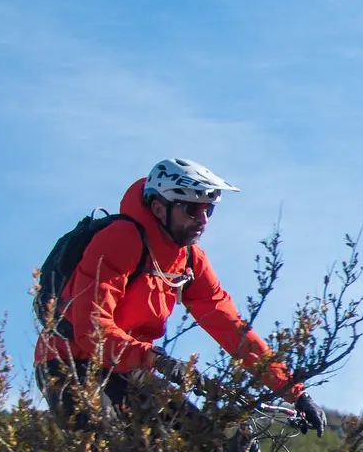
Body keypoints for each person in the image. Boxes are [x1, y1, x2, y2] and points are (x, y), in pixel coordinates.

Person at [34, 158, 325, 435]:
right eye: (191, 210)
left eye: (208, 210)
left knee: (202, 442)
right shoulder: (121, 239)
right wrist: (155, 359)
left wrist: (295, 392)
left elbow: (232, 328)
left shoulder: (189, 260)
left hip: (129, 364)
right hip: (70, 361)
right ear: (160, 208)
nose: (203, 220)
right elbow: (91, 330)